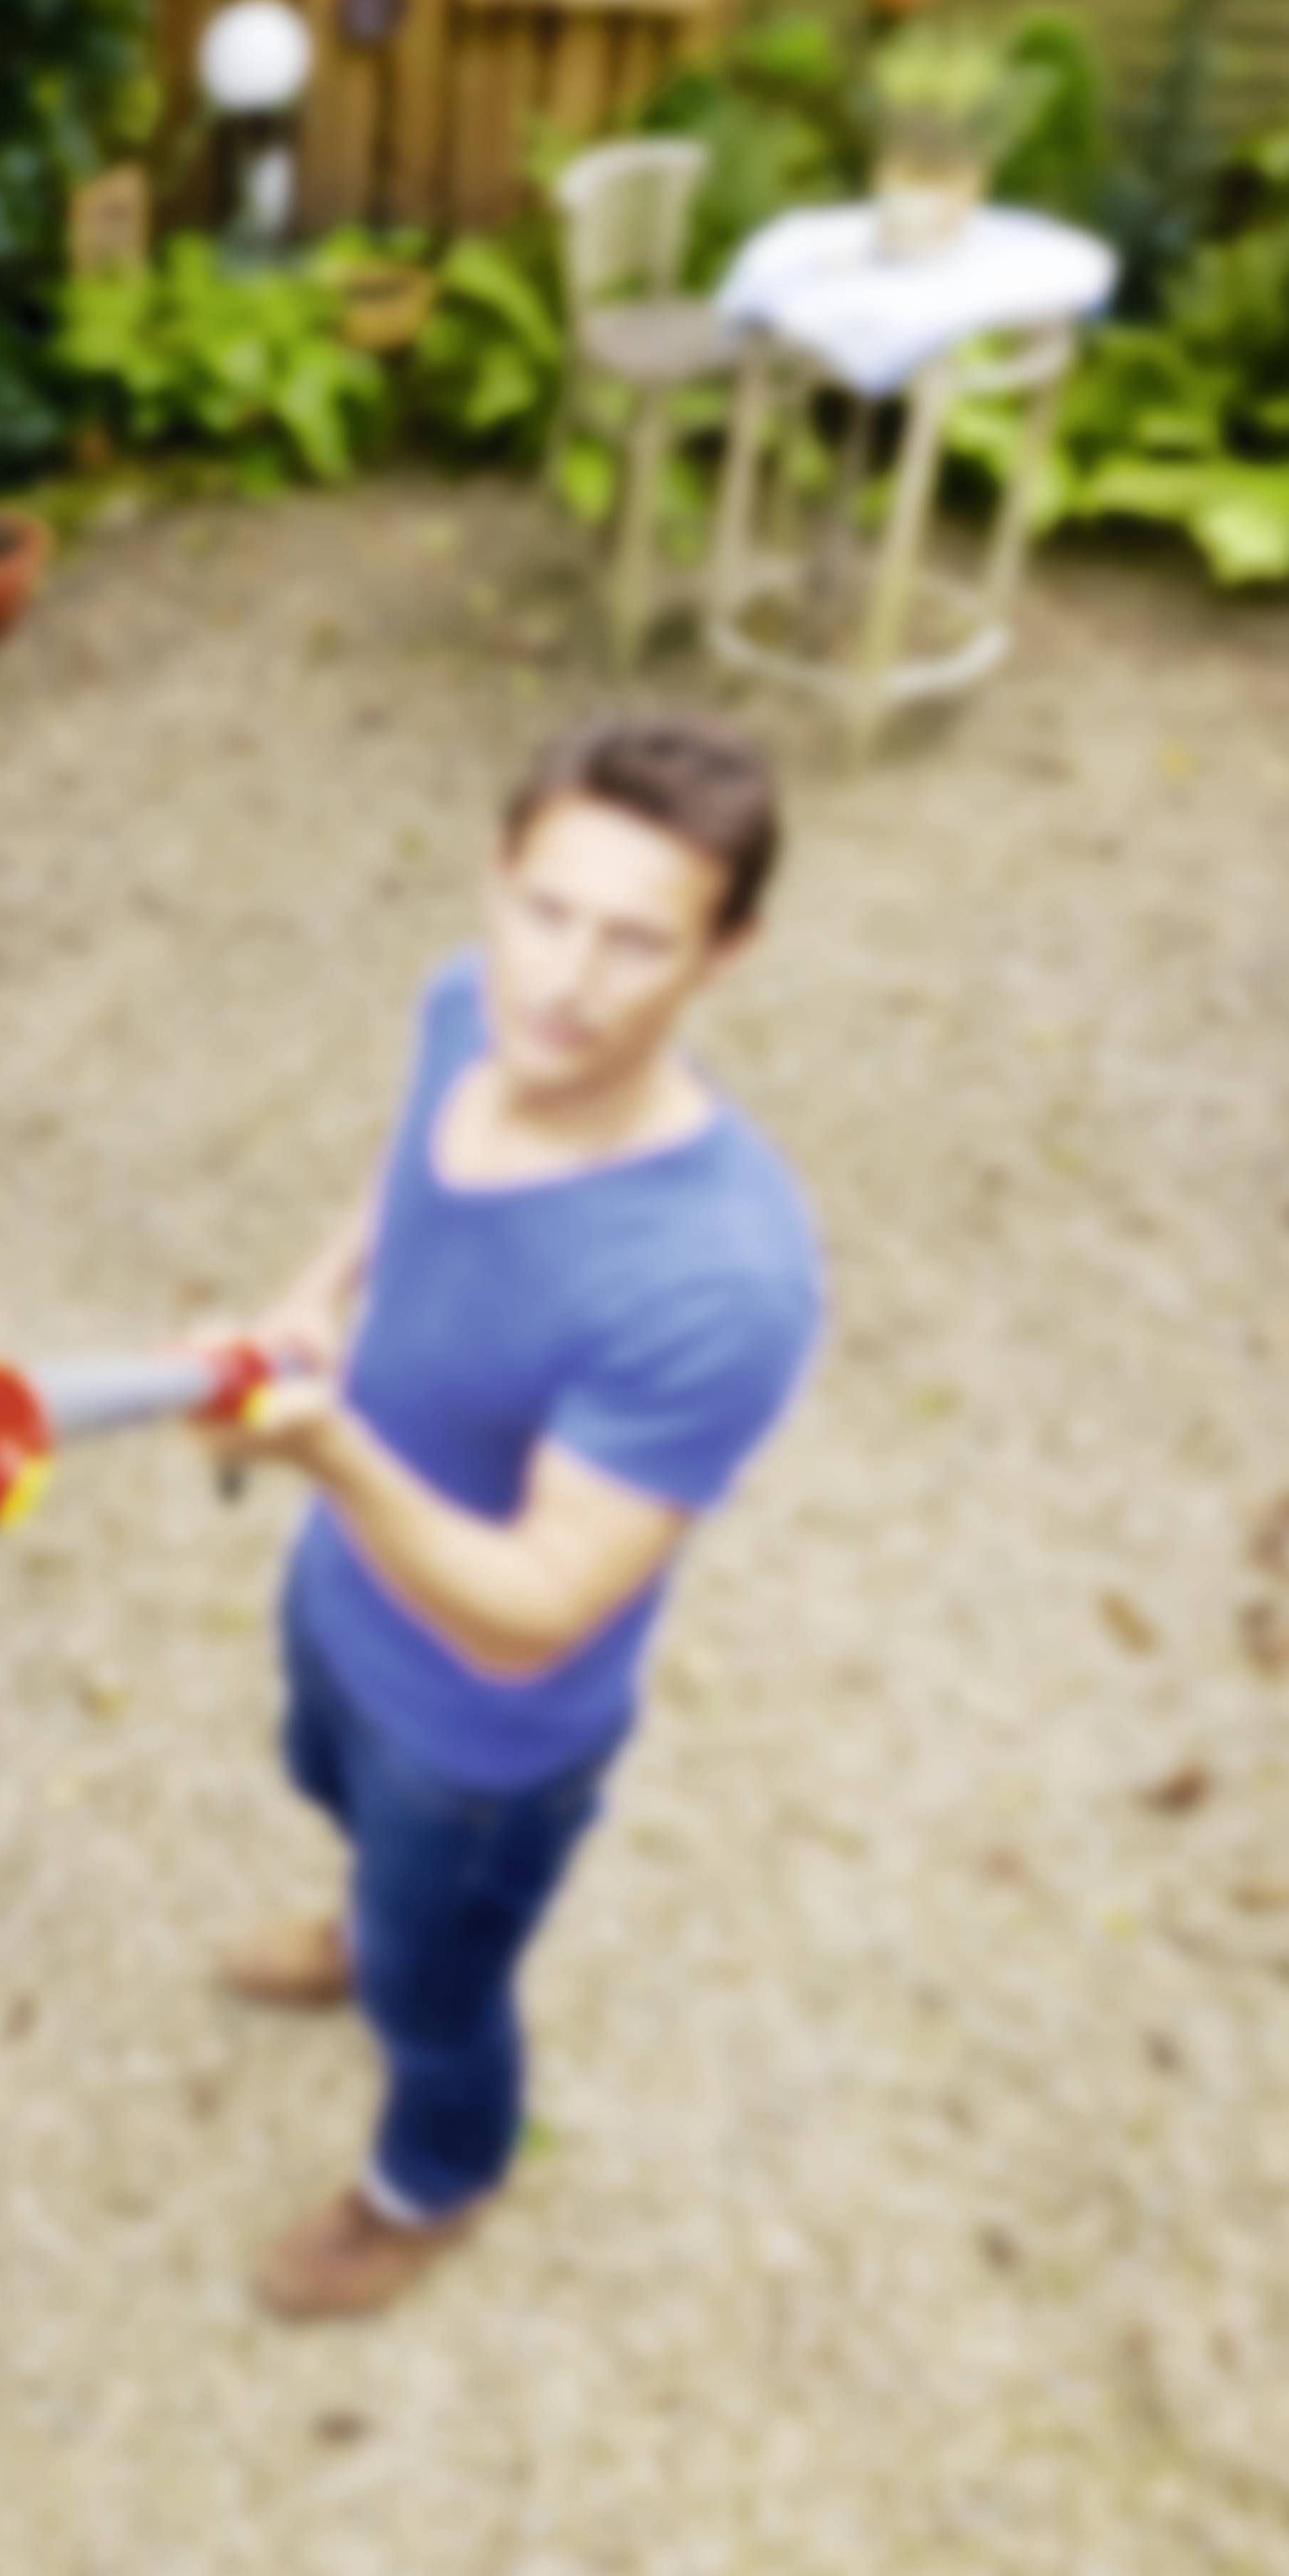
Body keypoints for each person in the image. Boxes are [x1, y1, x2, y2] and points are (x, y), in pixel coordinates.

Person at [214, 709, 821, 2324]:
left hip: (476, 1745)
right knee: (323, 1793)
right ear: (493, 876)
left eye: (634, 939)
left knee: (441, 1994)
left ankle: (435, 2176)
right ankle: (363, 1919)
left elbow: (543, 1600)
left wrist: (329, 1450)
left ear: (726, 952)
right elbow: (406, 1165)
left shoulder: (718, 1281)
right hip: (343, 1602)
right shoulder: (460, 1012)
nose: (560, 979)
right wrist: (305, 1297)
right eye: (543, 909)